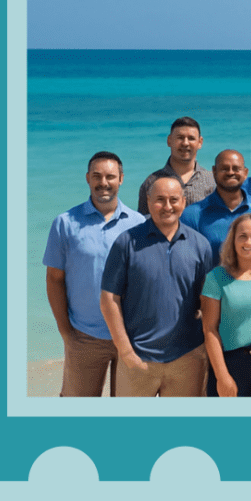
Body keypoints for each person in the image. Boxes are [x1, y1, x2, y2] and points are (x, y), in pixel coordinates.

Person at [99, 175, 217, 397]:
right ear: (148, 200)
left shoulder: (200, 245)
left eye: (174, 200)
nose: (167, 206)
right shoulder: (126, 242)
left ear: (183, 202)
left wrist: (202, 351)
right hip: (137, 358)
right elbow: (109, 299)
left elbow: (207, 302)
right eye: (160, 200)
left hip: (186, 358)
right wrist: (125, 351)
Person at [43, 151, 147, 396]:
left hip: (130, 336)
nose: (103, 183)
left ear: (121, 179)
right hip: (84, 336)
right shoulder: (65, 223)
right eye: (97, 176)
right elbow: (54, 280)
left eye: (110, 176)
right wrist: (66, 332)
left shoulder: (139, 224)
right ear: (87, 178)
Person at [199, 214, 251, 397]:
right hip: (231, 364)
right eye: (243, 236)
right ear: (233, 239)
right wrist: (222, 376)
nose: (248, 242)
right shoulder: (216, 278)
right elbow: (209, 329)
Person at [184, 149, 251, 248]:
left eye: (236, 169)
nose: (230, 173)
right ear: (214, 171)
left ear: (245, 173)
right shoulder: (192, 215)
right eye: (224, 168)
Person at [136, 116, 215, 213]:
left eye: (191, 138)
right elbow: (144, 222)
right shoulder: (151, 182)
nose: (185, 143)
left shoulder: (212, 182)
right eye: (180, 138)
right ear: (169, 140)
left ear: (200, 142)